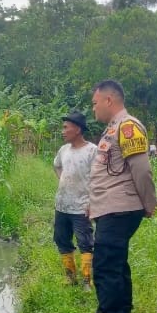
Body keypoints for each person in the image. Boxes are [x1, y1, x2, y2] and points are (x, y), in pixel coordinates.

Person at [70, 80, 157, 313]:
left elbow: (141, 170)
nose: (93, 108)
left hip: (120, 210)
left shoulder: (128, 127)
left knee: (106, 268)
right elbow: (107, 173)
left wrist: (149, 203)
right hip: (110, 208)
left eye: (95, 103)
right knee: (117, 266)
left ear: (109, 100)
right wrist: (93, 203)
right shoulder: (113, 128)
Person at [53, 111, 97, 290]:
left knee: (85, 242)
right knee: (62, 240)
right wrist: (63, 180)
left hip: (81, 207)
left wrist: (92, 202)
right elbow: (57, 166)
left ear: (77, 129)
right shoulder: (63, 150)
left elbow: (98, 179)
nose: (62, 131)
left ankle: (87, 280)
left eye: (66, 128)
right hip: (62, 205)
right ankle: (70, 277)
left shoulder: (92, 151)